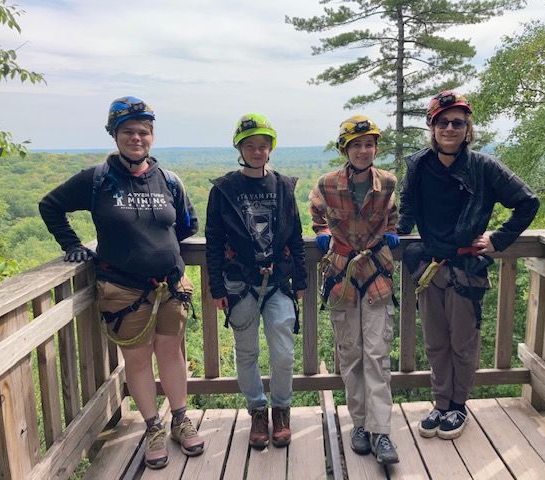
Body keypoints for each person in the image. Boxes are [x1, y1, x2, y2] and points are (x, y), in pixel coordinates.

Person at [39, 96, 204, 469]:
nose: (136, 137)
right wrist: (71, 245)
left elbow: (186, 225)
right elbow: (50, 206)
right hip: (123, 289)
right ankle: (153, 428)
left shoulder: (168, 180)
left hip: (171, 285)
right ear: (114, 134)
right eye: (128, 131)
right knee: (138, 358)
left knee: (171, 353)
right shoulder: (97, 180)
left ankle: (180, 420)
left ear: (152, 135)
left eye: (143, 131)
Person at [397, 90, 540, 440]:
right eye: (442, 121)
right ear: (432, 126)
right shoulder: (419, 166)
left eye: (457, 122)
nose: (450, 128)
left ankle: (458, 406)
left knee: (463, 341)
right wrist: (392, 237)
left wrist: (498, 239)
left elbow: (527, 202)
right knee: (434, 341)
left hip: (466, 267)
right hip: (428, 265)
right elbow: (407, 208)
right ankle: (440, 403)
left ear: (467, 128)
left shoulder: (483, 167)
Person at [205, 113, 307, 449]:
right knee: (246, 351)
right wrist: (216, 287)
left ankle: (281, 410)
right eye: (250, 146)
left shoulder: (282, 186)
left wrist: (301, 278)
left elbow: (295, 234)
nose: (257, 151)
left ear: (271, 148)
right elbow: (214, 239)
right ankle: (257, 413)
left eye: (263, 145)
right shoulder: (224, 190)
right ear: (240, 148)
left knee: (283, 353)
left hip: (278, 281)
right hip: (238, 285)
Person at [309, 115, 400, 465]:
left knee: (376, 354)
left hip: (376, 275)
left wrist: (391, 230)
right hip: (341, 275)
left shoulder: (388, 183)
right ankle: (359, 424)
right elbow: (317, 213)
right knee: (351, 354)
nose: (363, 150)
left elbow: (392, 216)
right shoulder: (329, 183)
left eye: (369, 144)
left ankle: (381, 431)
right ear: (345, 150)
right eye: (356, 145)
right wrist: (321, 232)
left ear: (376, 148)